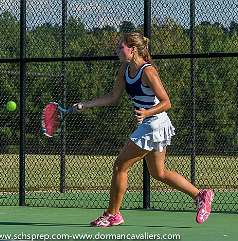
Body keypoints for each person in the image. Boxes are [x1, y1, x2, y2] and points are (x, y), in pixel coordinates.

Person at [74, 32, 214, 227]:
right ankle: (201, 194)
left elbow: (166, 102)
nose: (117, 50)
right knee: (159, 173)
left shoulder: (148, 72)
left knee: (120, 166)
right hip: (150, 124)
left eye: (120, 47)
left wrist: (147, 113)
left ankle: (112, 213)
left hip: (154, 123)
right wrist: (86, 104)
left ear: (132, 50)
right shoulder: (124, 69)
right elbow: (113, 97)